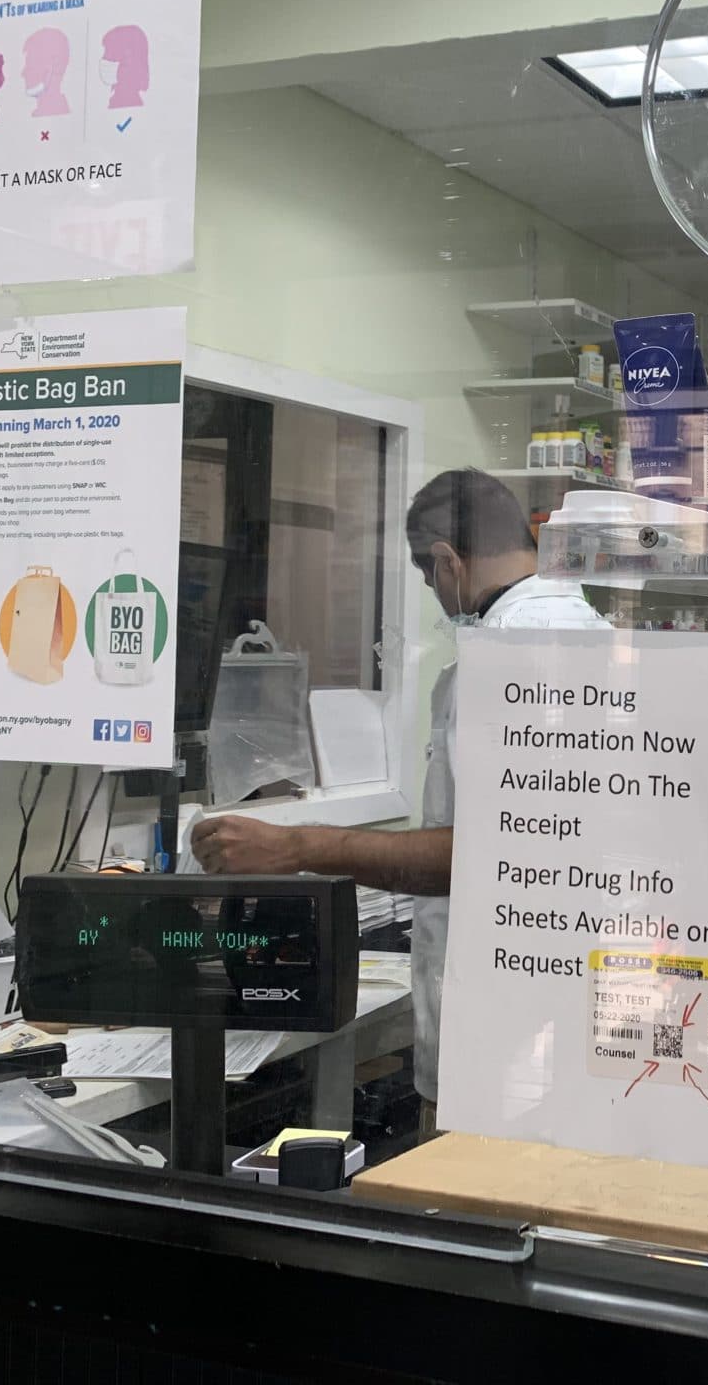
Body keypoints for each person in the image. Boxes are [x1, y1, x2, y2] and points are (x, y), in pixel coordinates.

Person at [190, 467, 605, 1130]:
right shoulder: (580, 627)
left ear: (447, 562)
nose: (435, 593)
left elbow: (488, 856)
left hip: (508, 1032)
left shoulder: (512, 651)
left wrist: (294, 845)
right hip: (550, 1009)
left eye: (428, 578)